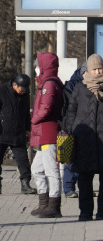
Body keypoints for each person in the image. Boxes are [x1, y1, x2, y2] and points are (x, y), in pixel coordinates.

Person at [65, 54, 103, 221]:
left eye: (100, 68)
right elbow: (71, 111)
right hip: (83, 139)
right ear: (88, 70)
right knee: (84, 178)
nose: (98, 71)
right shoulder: (80, 88)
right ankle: (85, 212)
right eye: (94, 69)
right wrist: (71, 130)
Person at [30, 52, 64, 218]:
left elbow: (46, 108)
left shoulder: (49, 84)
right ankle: (43, 203)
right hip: (43, 132)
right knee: (37, 169)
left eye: (37, 64)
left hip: (48, 132)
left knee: (51, 169)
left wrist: (34, 119)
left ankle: (54, 205)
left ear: (44, 65)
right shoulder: (46, 83)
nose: (35, 67)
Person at [0, 74, 36, 195]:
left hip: (17, 133)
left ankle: (25, 184)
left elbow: (26, 113)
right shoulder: (2, 91)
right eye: (21, 89)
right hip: (2, 133)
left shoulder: (25, 94)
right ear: (15, 84)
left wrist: (27, 128)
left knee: (23, 161)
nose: (23, 92)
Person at [62, 62, 88, 198]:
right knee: (70, 156)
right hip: (72, 125)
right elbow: (68, 110)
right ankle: (68, 187)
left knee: (83, 157)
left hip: (86, 125)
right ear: (84, 72)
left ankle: (81, 187)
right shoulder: (71, 87)